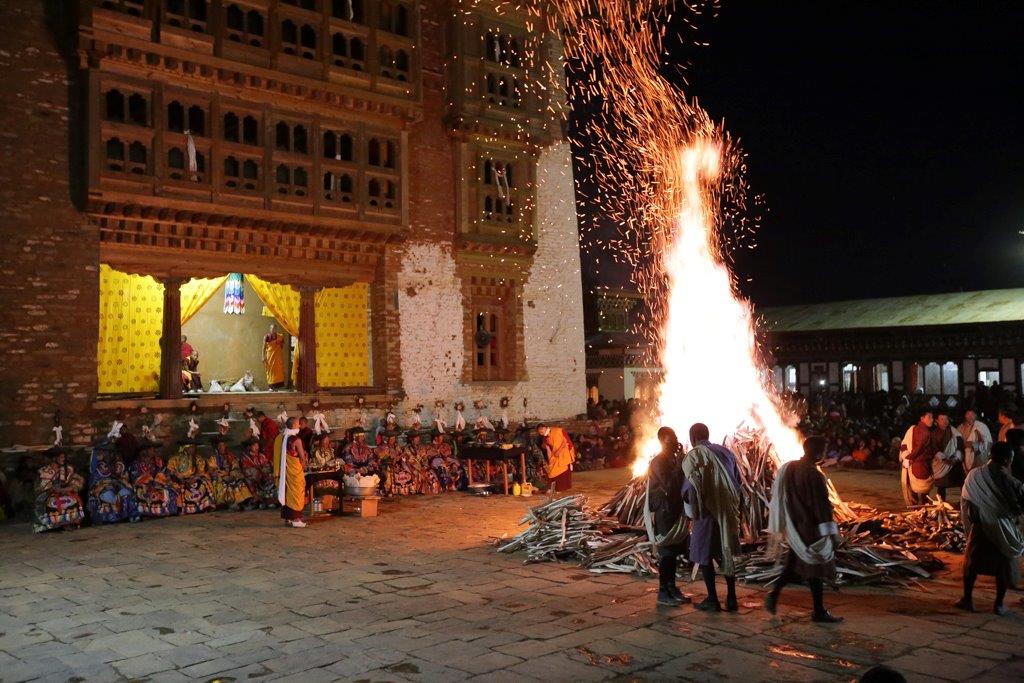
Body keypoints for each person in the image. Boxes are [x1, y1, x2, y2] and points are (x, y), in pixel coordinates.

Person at [764, 435, 843, 623]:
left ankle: (774, 595)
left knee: (792, 565)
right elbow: (821, 507)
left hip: (795, 527)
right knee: (815, 569)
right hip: (811, 530)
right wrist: (830, 534)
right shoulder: (814, 475)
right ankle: (818, 611)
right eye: (823, 449)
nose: (824, 453)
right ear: (816, 451)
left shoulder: (791, 468)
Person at [955, 442, 1024, 615]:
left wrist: (970, 523)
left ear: (990, 456)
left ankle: (967, 599)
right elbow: (1018, 508)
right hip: (1002, 529)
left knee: (971, 564)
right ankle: (998, 604)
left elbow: (966, 501)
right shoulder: (1011, 482)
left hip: (979, 527)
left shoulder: (974, 475)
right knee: (1002, 567)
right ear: (1008, 460)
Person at [681, 423, 742, 612]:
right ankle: (731, 598)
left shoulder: (694, 456)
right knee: (726, 552)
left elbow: (689, 489)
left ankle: (713, 599)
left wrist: (689, 508)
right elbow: (738, 481)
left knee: (704, 554)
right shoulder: (726, 452)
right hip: (727, 511)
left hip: (706, 513)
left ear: (692, 438)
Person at [646, 426, 690, 606]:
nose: (676, 440)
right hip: (665, 512)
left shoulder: (671, 459)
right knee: (667, 553)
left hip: (674, 510)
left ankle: (672, 587)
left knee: (674, 552)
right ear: (663, 440)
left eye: (676, 436)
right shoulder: (659, 461)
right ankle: (663, 591)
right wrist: (679, 464)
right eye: (672, 438)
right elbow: (669, 485)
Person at [274, 417, 307, 527]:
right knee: (296, 493)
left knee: (286, 491)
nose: (299, 426)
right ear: (293, 426)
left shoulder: (281, 438)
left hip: (285, 471)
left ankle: (288, 518)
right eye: (298, 424)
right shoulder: (296, 440)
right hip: (294, 471)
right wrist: (304, 465)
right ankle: (296, 519)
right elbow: (302, 457)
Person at [899, 410, 936, 506]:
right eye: (929, 417)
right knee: (923, 493)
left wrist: (906, 457)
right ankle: (921, 511)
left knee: (915, 491)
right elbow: (916, 448)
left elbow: (904, 445)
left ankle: (916, 510)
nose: (932, 420)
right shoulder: (920, 431)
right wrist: (908, 457)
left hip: (915, 463)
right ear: (922, 418)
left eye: (932, 417)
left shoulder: (915, 429)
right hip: (919, 464)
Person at [930, 411, 964, 502]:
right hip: (940, 464)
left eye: (946, 419)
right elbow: (933, 448)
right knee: (941, 487)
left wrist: (956, 457)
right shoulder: (933, 433)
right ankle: (941, 505)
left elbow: (960, 445)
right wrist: (944, 458)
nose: (945, 421)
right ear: (937, 421)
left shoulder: (954, 432)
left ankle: (963, 504)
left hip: (954, 462)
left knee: (962, 483)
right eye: (942, 419)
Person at [537, 424, 576, 495]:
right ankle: (550, 488)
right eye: (540, 433)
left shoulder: (558, 431)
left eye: (541, 432)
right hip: (555, 454)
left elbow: (565, 442)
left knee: (562, 470)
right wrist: (550, 460)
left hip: (564, 452)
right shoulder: (545, 438)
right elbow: (548, 450)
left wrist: (559, 450)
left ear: (544, 428)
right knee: (551, 470)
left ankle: (559, 489)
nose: (541, 434)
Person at [263, 324, 286, 390]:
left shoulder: (280, 337)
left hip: (277, 357)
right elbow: (264, 347)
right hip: (270, 356)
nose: (274, 330)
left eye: (275, 329)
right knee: (270, 371)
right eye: (272, 329)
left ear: (277, 329)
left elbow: (281, 346)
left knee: (278, 371)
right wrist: (263, 356)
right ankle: (271, 386)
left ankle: (276, 387)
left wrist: (278, 349)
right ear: (270, 329)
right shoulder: (266, 337)